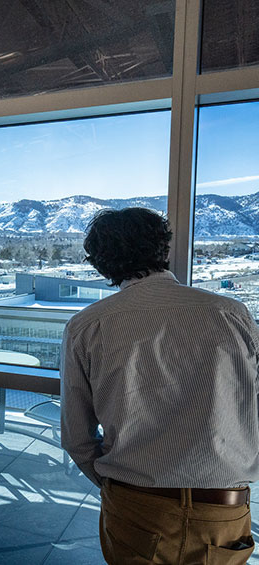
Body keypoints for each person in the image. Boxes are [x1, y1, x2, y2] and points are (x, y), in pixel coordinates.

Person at [61, 208, 259, 564]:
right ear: (164, 250)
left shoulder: (86, 326)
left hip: (136, 505)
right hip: (223, 507)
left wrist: (114, 487)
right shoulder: (232, 314)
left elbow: (77, 437)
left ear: (102, 266)